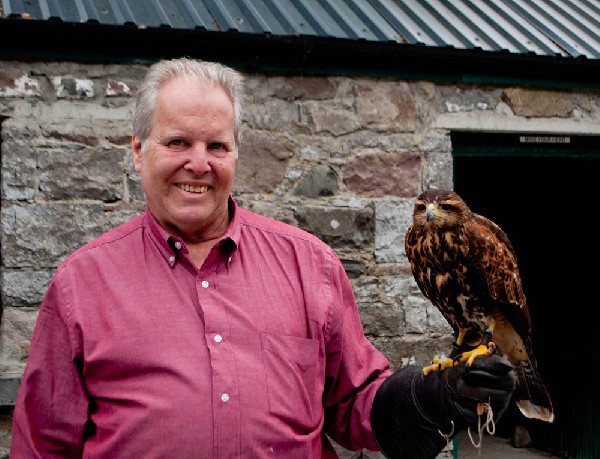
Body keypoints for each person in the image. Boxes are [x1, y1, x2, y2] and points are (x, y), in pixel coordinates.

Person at [10, 57, 516, 458]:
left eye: (217, 145)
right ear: (139, 151)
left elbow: (353, 404)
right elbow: (42, 444)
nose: (198, 164)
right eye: (178, 142)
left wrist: (427, 398)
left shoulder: (310, 266)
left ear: (236, 154)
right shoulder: (81, 284)